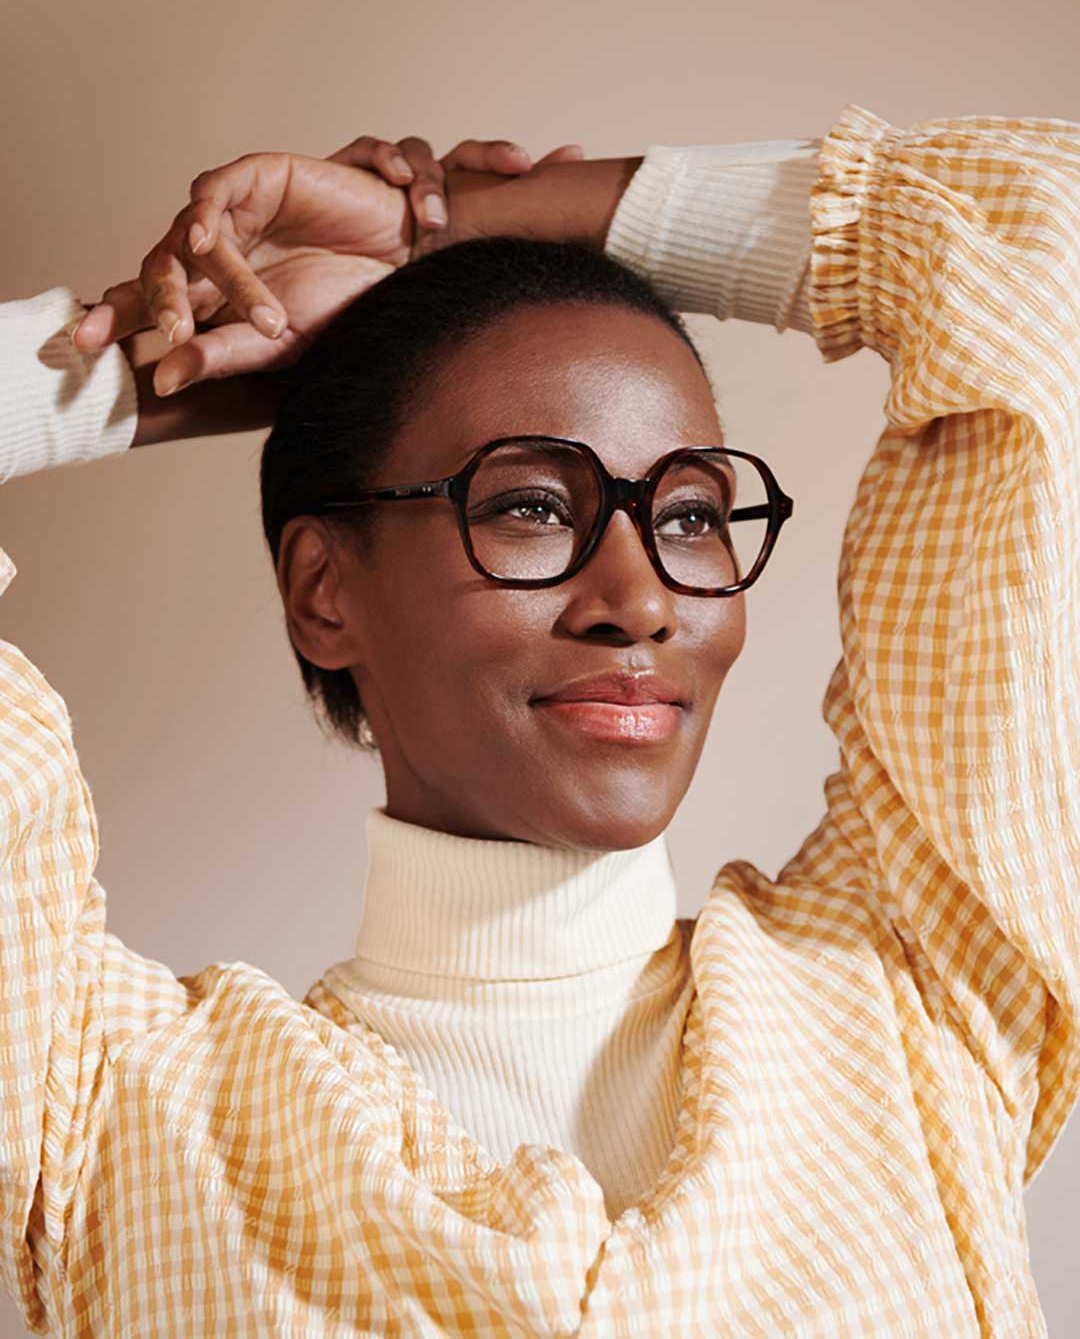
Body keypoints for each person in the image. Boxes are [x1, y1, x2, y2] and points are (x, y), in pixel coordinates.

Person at [1, 102, 1077, 1335]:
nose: (642, 600)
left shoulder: (909, 997)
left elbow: (1048, 251)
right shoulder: (113, 1117)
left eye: (687, 517)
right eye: (528, 507)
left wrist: (452, 231)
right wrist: (160, 362)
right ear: (323, 592)